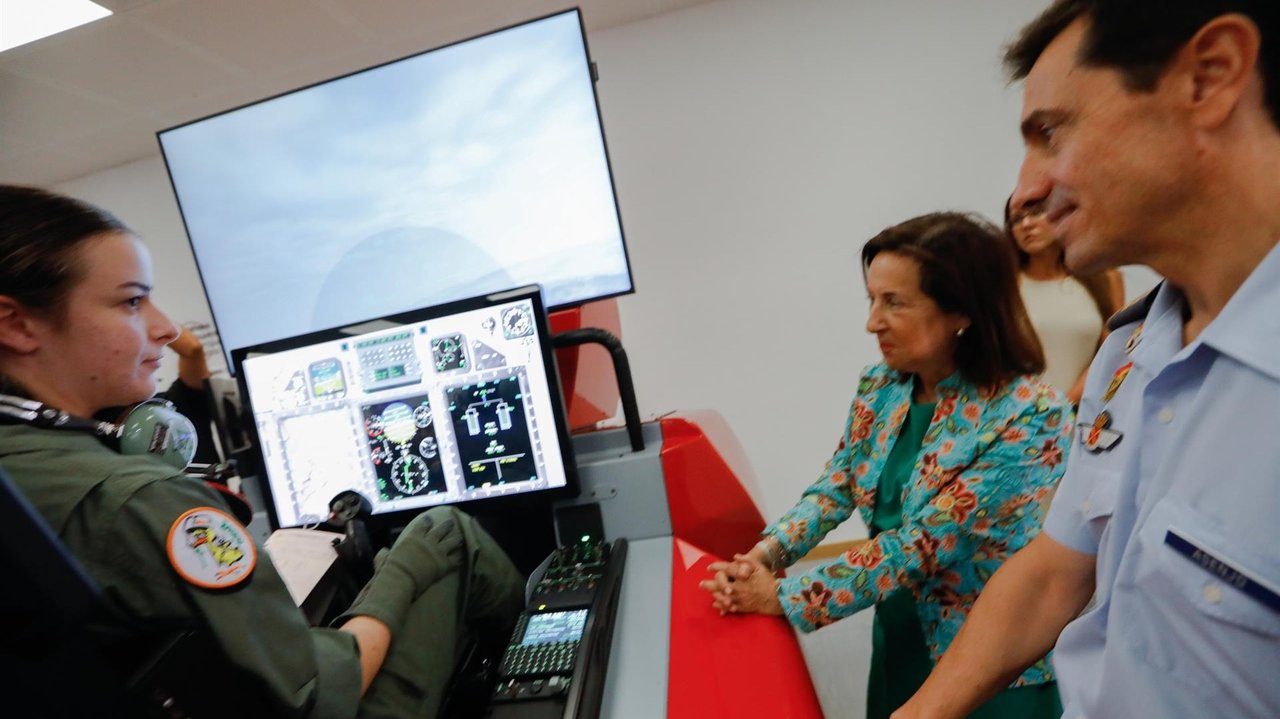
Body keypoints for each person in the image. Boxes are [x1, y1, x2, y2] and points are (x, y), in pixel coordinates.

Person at [0, 184, 524, 718]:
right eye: (132, 301)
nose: (165, 328)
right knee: (444, 533)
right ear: (17, 325)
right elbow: (312, 692)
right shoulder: (137, 499)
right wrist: (395, 585)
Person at [894, 3, 1280, 718]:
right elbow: (1055, 571)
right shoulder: (1130, 354)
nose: (1025, 192)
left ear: (1212, 76)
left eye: (1051, 133)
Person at [699, 212, 1072, 719]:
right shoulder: (883, 385)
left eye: (893, 302)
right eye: (872, 299)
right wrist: (763, 556)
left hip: (989, 667)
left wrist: (787, 595)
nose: (872, 321)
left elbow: (924, 543)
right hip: (899, 639)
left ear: (961, 310)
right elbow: (835, 488)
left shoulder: (1031, 414)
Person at [1004, 196, 1124, 404]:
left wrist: (1067, 403)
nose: (1026, 224)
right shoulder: (1005, 283)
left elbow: (1113, 350)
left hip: (1083, 409)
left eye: (1036, 213)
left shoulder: (1106, 278)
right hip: (1018, 415)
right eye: (1016, 219)